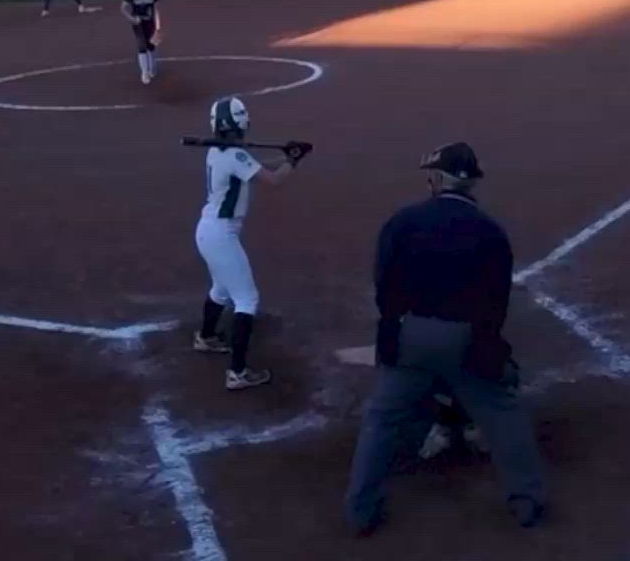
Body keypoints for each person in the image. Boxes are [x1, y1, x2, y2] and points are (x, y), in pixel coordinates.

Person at [344, 142, 546, 537]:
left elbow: (385, 287)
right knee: (502, 411)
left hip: (411, 336)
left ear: (436, 180)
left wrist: (392, 337)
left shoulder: (402, 222)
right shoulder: (491, 232)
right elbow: (496, 303)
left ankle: (359, 512)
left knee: (381, 421)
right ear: (471, 185)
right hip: (467, 338)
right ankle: (526, 500)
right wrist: (491, 353)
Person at [191, 96, 301, 390]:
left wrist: (287, 156)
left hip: (208, 232)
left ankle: (206, 337)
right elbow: (274, 180)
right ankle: (237, 372)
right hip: (221, 235)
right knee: (247, 299)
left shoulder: (217, 152)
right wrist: (293, 160)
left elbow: (252, 167)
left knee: (221, 290)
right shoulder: (235, 156)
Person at [121, 0, 163, 83]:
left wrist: (158, 25)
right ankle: (144, 72)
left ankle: (152, 68)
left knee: (152, 46)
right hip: (138, 23)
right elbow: (123, 8)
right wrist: (131, 19)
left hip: (150, 23)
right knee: (141, 47)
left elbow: (156, 9)